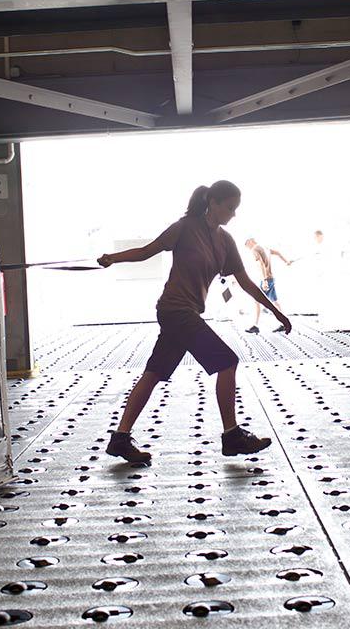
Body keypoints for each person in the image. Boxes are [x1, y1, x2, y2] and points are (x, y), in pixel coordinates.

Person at [97, 181, 292, 464]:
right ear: (212, 202)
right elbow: (146, 251)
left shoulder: (225, 240)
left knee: (153, 373)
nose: (233, 214)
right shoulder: (185, 227)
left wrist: (275, 310)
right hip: (176, 310)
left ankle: (120, 439)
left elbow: (245, 282)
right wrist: (112, 258)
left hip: (186, 313)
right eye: (229, 207)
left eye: (235, 209)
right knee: (227, 362)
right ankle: (232, 435)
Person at [244, 238, 292, 334]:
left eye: (247, 245)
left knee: (257, 301)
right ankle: (284, 322)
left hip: (266, 279)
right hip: (271, 278)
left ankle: (255, 326)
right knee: (275, 301)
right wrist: (286, 261)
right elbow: (277, 253)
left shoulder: (254, 249)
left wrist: (264, 280)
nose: (248, 248)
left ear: (250, 241)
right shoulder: (265, 248)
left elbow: (261, 264)